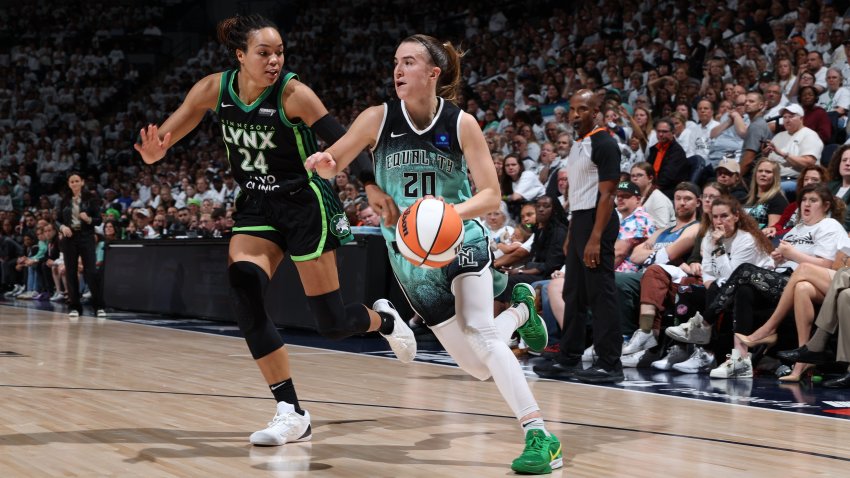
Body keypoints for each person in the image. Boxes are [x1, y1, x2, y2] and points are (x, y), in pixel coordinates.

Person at [133, 15, 416, 449]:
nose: (274, 60)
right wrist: (159, 149)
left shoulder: (294, 94)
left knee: (333, 323)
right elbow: (175, 127)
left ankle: (384, 320)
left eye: (279, 52)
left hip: (306, 204)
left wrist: (370, 184)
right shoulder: (214, 89)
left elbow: (340, 137)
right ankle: (291, 411)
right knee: (243, 287)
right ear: (240, 56)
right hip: (258, 205)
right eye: (264, 53)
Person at [304, 33, 562, 474]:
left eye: (408, 63)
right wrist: (327, 167)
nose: (398, 71)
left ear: (433, 74)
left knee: (481, 331)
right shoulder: (376, 118)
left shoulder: (462, 124)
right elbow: (336, 159)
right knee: (477, 368)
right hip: (410, 258)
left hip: (461, 237)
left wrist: (442, 214)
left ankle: (539, 433)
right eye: (395, 63)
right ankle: (521, 308)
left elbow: (490, 195)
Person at [536, 89, 623, 384]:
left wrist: (596, 237)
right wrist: (573, 232)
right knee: (572, 293)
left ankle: (610, 364)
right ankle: (569, 357)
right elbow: (578, 192)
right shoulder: (577, 145)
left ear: (595, 111)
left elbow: (608, 194)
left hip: (599, 220)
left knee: (600, 295)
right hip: (581, 220)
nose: (575, 115)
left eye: (582, 109)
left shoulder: (605, 143)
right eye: (572, 109)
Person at [57, 173, 105, 319]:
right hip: (69, 238)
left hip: (86, 237)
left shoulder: (91, 199)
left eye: (77, 181)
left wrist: (89, 219)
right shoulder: (64, 200)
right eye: (72, 181)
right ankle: (74, 307)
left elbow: (98, 220)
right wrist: (62, 228)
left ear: (82, 182)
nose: (74, 183)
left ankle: (99, 306)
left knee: (91, 272)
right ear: (69, 184)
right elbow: (57, 220)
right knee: (70, 273)